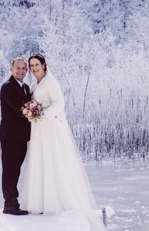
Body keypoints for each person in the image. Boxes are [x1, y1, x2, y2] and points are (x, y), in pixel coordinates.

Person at [18, 53, 97, 216]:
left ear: (44, 65)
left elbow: (59, 103)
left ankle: (55, 201)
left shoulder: (50, 82)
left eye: (36, 65)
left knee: (51, 159)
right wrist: (32, 112)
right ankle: (39, 201)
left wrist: (43, 114)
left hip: (50, 126)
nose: (33, 68)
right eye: (31, 66)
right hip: (38, 127)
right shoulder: (35, 83)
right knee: (40, 160)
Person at [0, 56, 32, 215]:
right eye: (18, 68)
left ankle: (14, 202)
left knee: (16, 169)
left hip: (22, 136)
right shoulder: (8, 87)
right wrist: (38, 112)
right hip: (10, 135)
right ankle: (9, 204)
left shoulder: (25, 87)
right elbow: (20, 108)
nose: (21, 71)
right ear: (11, 69)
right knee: (10, 169)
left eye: (24, 68)